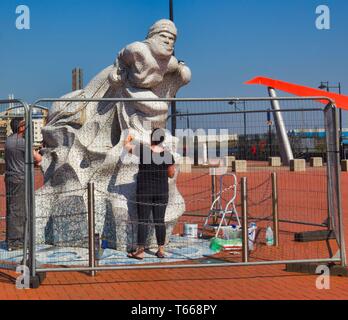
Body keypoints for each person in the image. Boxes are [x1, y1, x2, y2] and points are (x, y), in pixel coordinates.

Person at [124, 128, 176, 259]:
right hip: (161, 191)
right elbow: (171, 174)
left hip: (144, 191)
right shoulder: (168, 155)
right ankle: (161, 250)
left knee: (143, 220)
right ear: (162, 140)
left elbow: (127, 147)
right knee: (160, 220)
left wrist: (128, 138)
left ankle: (140, 250)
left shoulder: (144, 151)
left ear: (151, 138)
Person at [5, 118, 42, 251]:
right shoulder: (22, 142)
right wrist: (37, 153)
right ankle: (15, 242)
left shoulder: (9, 140)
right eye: (25, 125)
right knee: (18, 210)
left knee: (12, 208)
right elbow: (38, 159)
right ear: (21, 128)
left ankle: (13, 239)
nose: (28, 128)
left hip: (10, 177)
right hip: (20, 178)